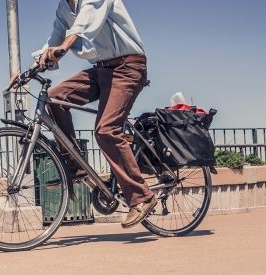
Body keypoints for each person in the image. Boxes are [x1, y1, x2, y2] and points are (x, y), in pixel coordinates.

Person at [11, 0, 157, 229]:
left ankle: (142, 196)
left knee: (106, 130)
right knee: (56, 98)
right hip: (102, 69)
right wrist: (29, 72)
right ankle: (74, 165)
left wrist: (65, 47)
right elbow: (54, 40)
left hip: (128, 67)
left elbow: (85, 23)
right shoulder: (63, 8)